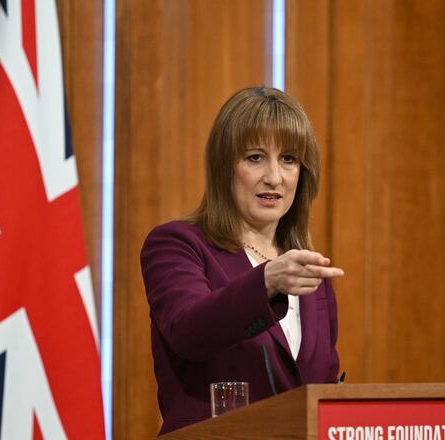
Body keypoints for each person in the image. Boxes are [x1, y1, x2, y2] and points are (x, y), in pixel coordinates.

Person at [140, 86, 344, 434]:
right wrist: (267, 281)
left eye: (289, 159)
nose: (274, 177)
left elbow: (320, 383)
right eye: (254, 157)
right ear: (224, 168)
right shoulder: (177, 244)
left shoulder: (308, 271)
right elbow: (189, 332)